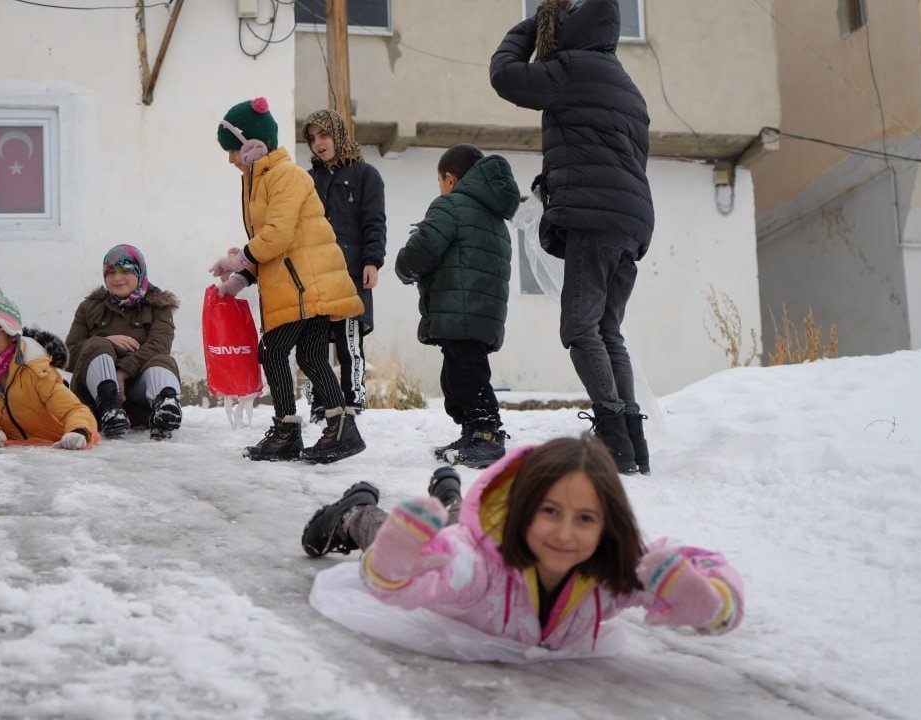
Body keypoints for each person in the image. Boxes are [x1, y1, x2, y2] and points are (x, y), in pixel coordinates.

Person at [300, 434, 743, 656]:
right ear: (523, 507)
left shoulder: (611, 575)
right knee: (408, 536)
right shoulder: (473, 569)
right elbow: (406, 579)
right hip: (467, 547)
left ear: (607, 525)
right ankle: (356, 512)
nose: (565, 534)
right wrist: (396, 561)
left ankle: (451, 494)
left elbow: (697, 565)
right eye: (550, 512)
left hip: (485, 533)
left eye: (585, 519)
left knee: (452, 518)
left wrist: (713, 602)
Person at [490, 0, 654, 474]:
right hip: (632, 222)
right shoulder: (626, 85)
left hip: (595, 220)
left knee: (581, 328)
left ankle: (614, 436)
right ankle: (633, 443)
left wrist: (532, 24)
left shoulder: (571, 68)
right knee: (607, 329)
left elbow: (505, 76)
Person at [210, 97, 366, 464]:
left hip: (305, 285)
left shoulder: (286, 176)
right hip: (298, 283)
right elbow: (274, 246)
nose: (231, 159)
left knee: (273, 351)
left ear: (253, 146)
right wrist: (242, 278)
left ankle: (286, 430)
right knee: (311, 356)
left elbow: (277, 237)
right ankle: (340, 427)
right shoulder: (259, 180)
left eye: (233, 150)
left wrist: (237, 259)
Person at [395, 144, 520, 469]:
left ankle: (487, 432)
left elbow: (424, 250)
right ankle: (472, 433)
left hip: (459, 306)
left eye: (440, 181)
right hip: (482, 311)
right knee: (459, 373)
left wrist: (405, 265)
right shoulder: (495, 218)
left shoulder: (450, 206)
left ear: (449, 179)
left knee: (467, 373)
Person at [299, 109, 387, 422]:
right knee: (313, 342)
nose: (318, 144)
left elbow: (374, 223)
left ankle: (353, 401)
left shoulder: (366, 175)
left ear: (338, 134)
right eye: (311, 138)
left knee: (349, 339)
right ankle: (320, 403)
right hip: (314, 274)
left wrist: (372, 261)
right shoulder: (307, 180)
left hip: (350, 270)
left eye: (324, 135)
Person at [65, 244, 183, 441]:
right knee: (97, 345)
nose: (117, 278)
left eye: (125, 270)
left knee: (162, 360)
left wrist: (123, 372)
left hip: (138, 393)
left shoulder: (158, 306)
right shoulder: (89, 307)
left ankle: (166, 407)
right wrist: (106, 341)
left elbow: (159, 344)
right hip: (95, 398)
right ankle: (109, 407)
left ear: (139, 271)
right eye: (111, 272)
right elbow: (68, 355)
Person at [0, 285, 97, 450]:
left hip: (60, 451)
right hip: (17, 455)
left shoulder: (35, 369)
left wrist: (78, 432)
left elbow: (74, 409)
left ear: (10, 334)